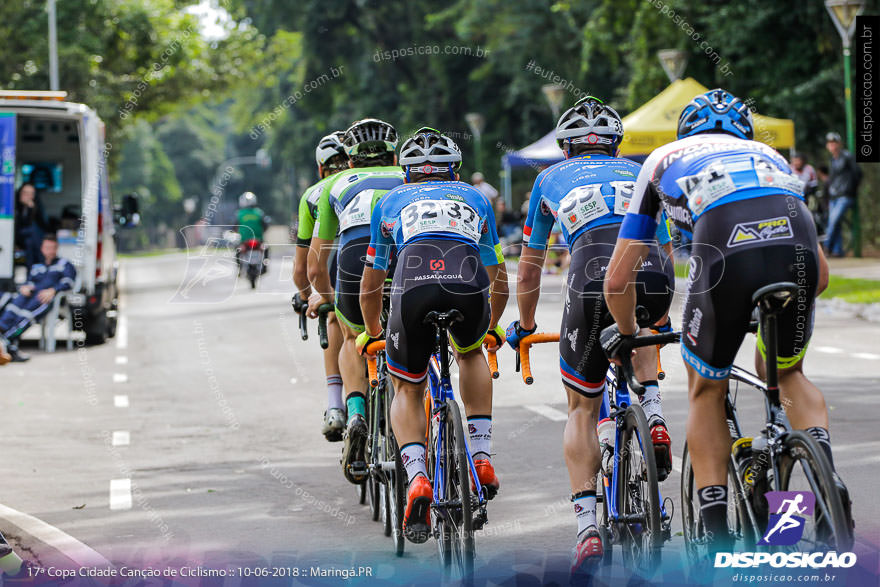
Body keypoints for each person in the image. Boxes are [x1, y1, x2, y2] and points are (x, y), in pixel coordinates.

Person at [604, 88, 847, 553]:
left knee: (707, 388)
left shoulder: (661, 158)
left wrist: (631, 335)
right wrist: (766, 318)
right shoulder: (768, 155)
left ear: (685, 133)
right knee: (786, 373)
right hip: (794, 245)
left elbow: (617, 281)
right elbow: (822, 276)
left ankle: (714, 527)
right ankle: (820, 479)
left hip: (723, 245)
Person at [505, 96, 674, 571]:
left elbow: (530, 267)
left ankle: (586, 530)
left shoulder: (547, 180)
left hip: (592, 277)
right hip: (653, 273)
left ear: (565, 149)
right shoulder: (641, 171)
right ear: (616, 145)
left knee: (581, 405)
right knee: (641, 325)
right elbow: (663, 248)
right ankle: (654, 415)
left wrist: (527, 324)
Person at [357, 127, 509, 543]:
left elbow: (371, 285)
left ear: (406, 174)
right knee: (471, 354)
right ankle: (479, 456)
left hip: (412, 289)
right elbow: (499, 280)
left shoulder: (389, 201)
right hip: (468, 282)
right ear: (454, 173)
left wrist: (374, 334)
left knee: (407, 386)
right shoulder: (477, 198)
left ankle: (419, 477)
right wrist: (488, 328)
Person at [306, 118, 405, 484]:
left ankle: (357, 410)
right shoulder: (410, 178)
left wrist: (330, 301)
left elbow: (315, 267)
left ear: (349, 160)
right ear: (394, 155)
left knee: (351, 337)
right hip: (408, 262)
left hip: (353, 264)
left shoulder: (333, 186)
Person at [293, 132, 349, 441]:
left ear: (320, 168)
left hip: (339, 265)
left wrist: (308, 297)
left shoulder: (315, 194)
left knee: (336, 316)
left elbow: (304, 270)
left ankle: (334, 406)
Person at [0, 235, 77, 364]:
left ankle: (6, 342)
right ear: (42, 249)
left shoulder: (64, 264)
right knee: (12, 306)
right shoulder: (37, 266)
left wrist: (53, 290)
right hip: (30, 295)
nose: (50, 251)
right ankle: (5, 339)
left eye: (53, 248)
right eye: (47, 248)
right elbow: (29, 281)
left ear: (57, 249)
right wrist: (25, 287)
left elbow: (68, 282)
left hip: (47, 298)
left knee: (25, 317)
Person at [824, 132, 862, 257]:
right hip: (834, 196)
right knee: (836, 224)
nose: (832, 145)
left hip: (845, 195)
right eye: (830, 143)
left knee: (833, 222)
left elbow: (858, 174)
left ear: (839, 144)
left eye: (834, 142)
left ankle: (825, 248)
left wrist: (852, 190)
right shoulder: (832, 160)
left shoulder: (847, 156)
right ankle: (837, 251)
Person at [14, 183, 49, 269]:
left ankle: (33, 270)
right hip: (17, 238)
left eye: (31, 193)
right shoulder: (14, 206)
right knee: (32, 232)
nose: (28, 196)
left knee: (30, 240)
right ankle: (43, 265)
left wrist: (32, 209)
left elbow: (44, 225)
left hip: (30, 240)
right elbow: (20, 226)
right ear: (20, 193)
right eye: (25, 193)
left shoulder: (36, 207)